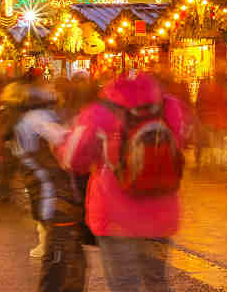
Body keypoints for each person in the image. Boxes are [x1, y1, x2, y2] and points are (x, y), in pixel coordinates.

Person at [58, 72, 190, 292]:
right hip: (161, 215)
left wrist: (61, 143)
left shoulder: (99, 112)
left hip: (115, 218)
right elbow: (183, 141)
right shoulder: (169, 107)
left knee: (125, 285)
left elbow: (72, 159)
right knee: (157, 281)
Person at [3, 79, 85, 292]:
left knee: (63, 261)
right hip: (57, 201)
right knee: (63, 263)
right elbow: (68, 144)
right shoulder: (36, 118)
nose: (51, 89)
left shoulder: (21, 120)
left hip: (50, 199)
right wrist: (85, 127)